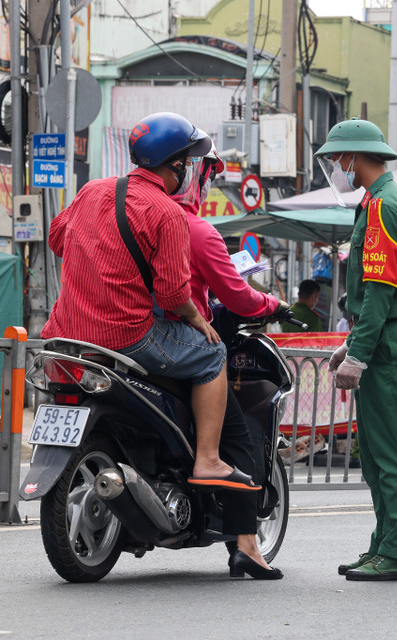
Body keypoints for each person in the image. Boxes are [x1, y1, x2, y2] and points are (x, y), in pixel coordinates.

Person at [41, 112, 258, 493]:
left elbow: (57, 239)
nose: (191, 170)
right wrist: (198, 321)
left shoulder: (92, 190)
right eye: (190, 161)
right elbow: (175, 294)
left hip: (65, 334)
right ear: (176, 164)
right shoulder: (168, 213)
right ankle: (207, 459)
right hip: (127, 337)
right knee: (213, 354)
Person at [317, 118, 397, 581]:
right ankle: (382, 544)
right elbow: (374, 296)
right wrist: (352, 344)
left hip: (388, 339)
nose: (337, 168)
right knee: (377, 451)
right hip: (381, 333)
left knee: (392, 451)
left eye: (339, 159)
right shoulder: (379, 202)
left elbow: (380, 290)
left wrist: (358, 355)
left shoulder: (382, 206)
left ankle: (394, 551)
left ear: (353, 157)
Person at [170, 148, 283, 579]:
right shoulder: (196, 230)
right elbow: (237, 297)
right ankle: (246, 544)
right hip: (178, 343)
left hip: (119, 338)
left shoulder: (129, 216)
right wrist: (273, 302)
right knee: (239, 440)